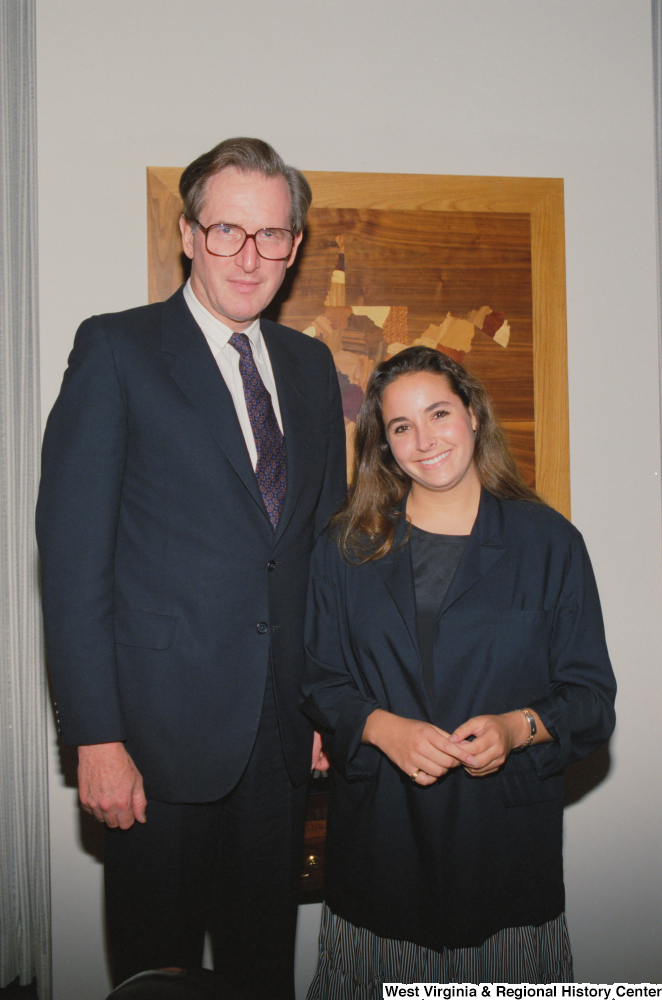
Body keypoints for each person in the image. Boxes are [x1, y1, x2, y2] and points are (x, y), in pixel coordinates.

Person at [36, 137, 346, 1000]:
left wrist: (327, 698)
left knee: (260, 978)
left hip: (283, 740)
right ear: (186, 234)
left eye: (272, 235)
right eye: (226, 231)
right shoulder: (117, 351)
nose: (250, 257)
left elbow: (321, 550)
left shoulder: (313, 369)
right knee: (158, 978)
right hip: (153, 747)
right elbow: (71, 563)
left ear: (295, 244)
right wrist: (94, 737)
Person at [301, 346, 616, 993]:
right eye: (399, 427)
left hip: (500, 854)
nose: (424, 440)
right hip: (379, 847)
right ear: (383, 446)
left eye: (438, 413)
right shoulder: (344, 546)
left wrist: (516, 727)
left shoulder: (550, 544)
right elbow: (318, 680)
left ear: (472, 413)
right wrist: (381, 727)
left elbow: (589, 700)